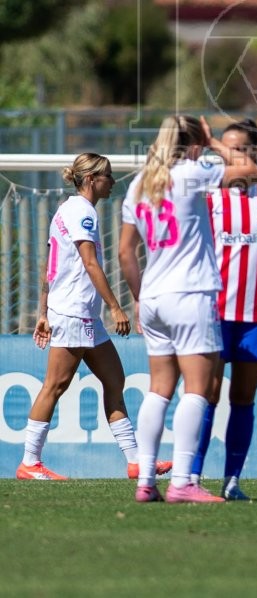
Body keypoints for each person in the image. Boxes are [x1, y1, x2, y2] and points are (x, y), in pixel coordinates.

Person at [119, 115, 257, 503]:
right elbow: (251, 170)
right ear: (194, 143)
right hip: (190, 293)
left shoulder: (138, 185)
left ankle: (146, 480)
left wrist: (138, 296)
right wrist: (217, 144)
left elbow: (125, 252)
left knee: (159, 389)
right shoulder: (193, 172)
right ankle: (183, 481)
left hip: (153, 298)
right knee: (198, 389)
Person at [16, 153, 171, 481]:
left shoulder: (67, 210)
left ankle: (135, 462)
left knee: (115, 380)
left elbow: (51, 264)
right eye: (108, 176)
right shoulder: (82, 212)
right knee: (55, 385)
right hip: (74, 312)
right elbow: (89, 263)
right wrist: (115, 306)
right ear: (91, 180)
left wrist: (43, 311)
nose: (112, 181)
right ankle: (29, 462)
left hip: (80, 314)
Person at [189, 119, 257, 500]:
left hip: (256, 314)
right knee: (207, 394)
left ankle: (232, 480)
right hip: (214, 311)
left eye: (243, 149)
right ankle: (192, 479)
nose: (235, 156)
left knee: (244, 399)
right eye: (227, 149)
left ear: (256, 152)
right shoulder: (209, 191)